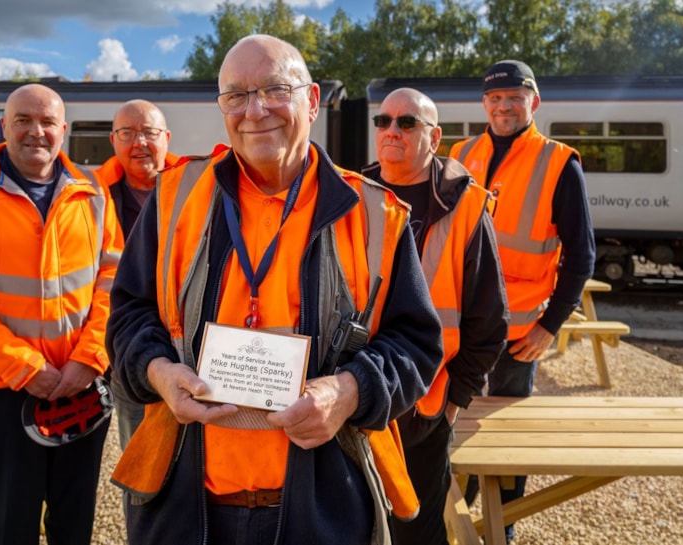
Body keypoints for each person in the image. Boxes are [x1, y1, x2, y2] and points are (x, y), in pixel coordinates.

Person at [106, 34, 443, 545]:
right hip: (185, 507)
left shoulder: (374, 214)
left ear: (311, 100)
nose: (255, 110)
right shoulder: (175, 197)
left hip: (323, 509)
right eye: (236, 95)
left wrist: (346, 392)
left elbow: (416, 345)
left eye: (273, 89)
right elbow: (128, 316)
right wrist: (158, 372)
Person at [0, 83, 124, 545]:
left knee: (74, 519)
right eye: (23, 121)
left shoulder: (92, 191)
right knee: (7, 523)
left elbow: (114, 284)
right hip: (2, 389)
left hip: (82, 386)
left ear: (63, 130)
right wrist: (25, 368)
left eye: (47, 122)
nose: (36, 132)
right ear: (4, 127)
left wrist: (88, 360)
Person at [449, 60, 596, 543]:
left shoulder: (559, 162)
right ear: (484, 104)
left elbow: (582, 256)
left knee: (505, 449)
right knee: (449, 432)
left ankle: (501, 530)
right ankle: (456, 520)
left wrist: (549, 326)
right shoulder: (460, 153)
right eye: (495, 98)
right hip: (458, 333)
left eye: (515, 96)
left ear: (534, 102)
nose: (504, 106)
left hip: (517, 339)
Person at [361, 87, 509, 545]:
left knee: (415, 533)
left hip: (424, 409)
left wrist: (451, 405)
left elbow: (489, 321)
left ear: (434, 137)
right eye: (383, 122)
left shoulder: (467, 206)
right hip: (354, 402)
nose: (391, 131)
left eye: (407, 123)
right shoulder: (353, 195)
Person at [96, 99, 180, 449]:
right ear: (113, 141)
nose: (139, 143)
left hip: (189, 351)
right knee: (139, 455)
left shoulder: (199, 188)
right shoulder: (91, 198)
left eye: (148, 132)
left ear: (167, 138)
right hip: (130, 352)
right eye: (127, 133)